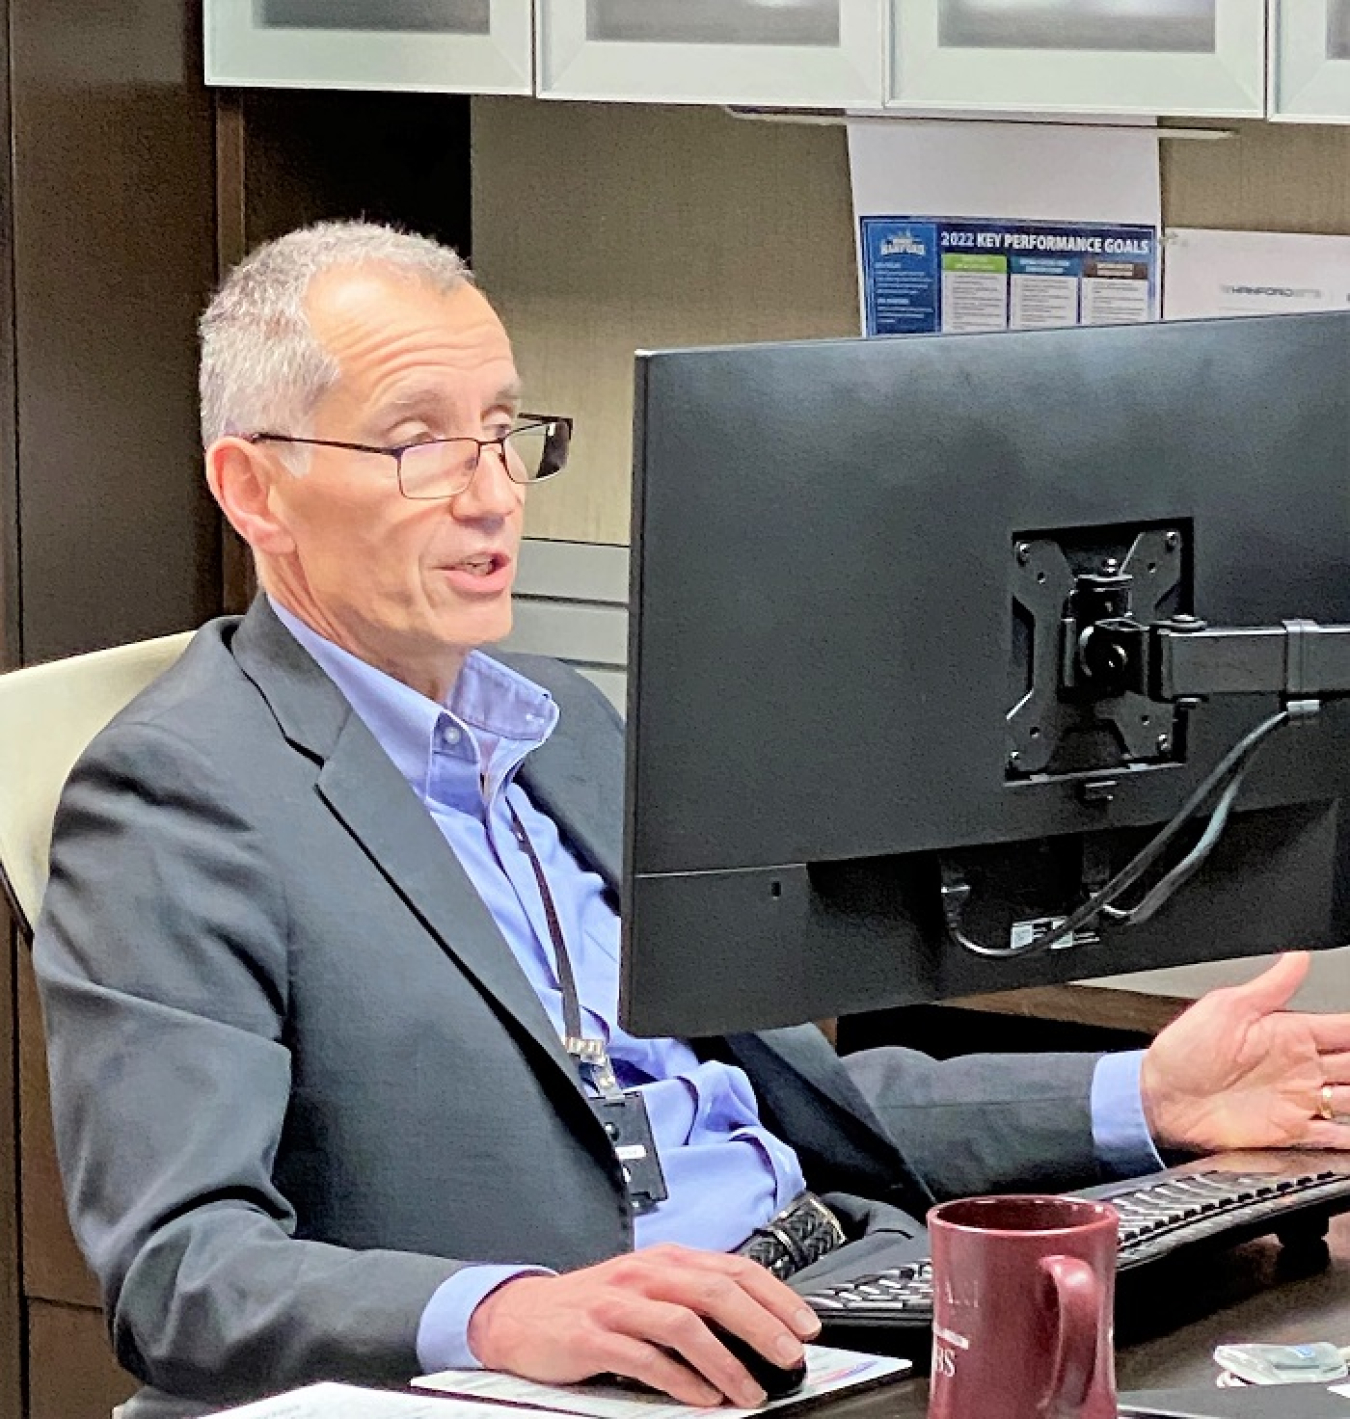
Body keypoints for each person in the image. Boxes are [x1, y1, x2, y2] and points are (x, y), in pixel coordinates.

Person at [32, 221, 1350, 1419]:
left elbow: (790, 1110)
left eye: (503, 430)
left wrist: (1146, 1094)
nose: (490, 493)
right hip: (596, 1383)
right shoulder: (177, 799)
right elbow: (181, 1272)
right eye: (417, 440)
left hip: (817, 1310)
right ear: (254, 488)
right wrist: (504, 1313)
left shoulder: (554, 718)